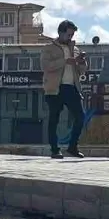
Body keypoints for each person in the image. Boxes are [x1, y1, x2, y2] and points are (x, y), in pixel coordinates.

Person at [39, 20, 89, 159]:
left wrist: (82, 62)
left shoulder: (75, 49)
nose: (70, 38)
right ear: (60, 33)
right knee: (54, 118)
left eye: (72, 35)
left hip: (71, 86)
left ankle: (72, 147)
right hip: (55, 88)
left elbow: (81, 71)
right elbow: (45, 66)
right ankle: (55, 149)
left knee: (80, 116)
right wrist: (65, 61)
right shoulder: (49, 48)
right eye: (68, 34)